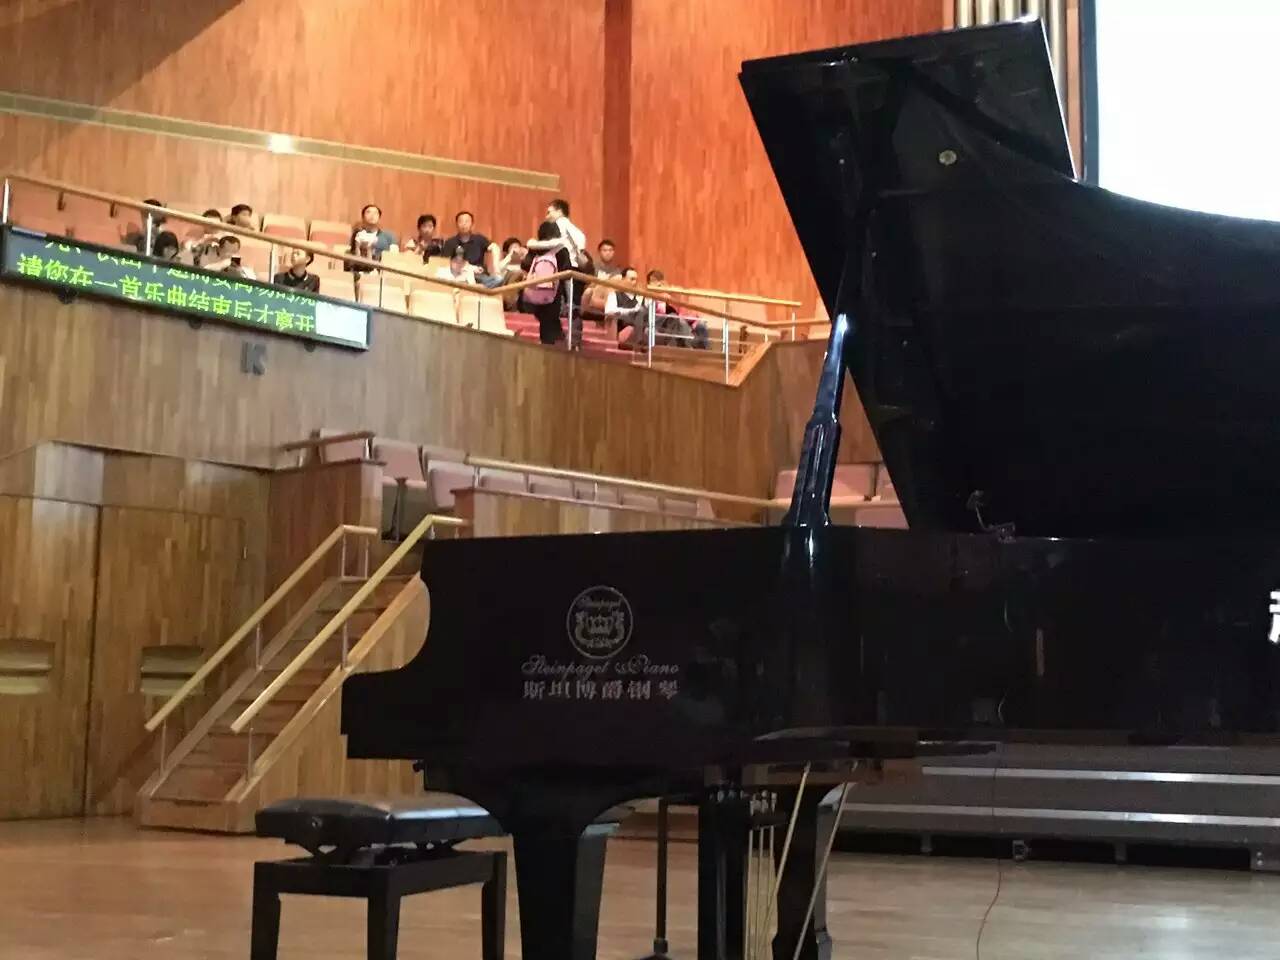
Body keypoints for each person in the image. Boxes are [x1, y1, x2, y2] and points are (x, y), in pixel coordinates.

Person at [520, 221, 571, 345]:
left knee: (543, 318)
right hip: (554, 290)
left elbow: (525, 265)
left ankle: (551, 338)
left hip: (535, 288)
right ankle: (551, 341)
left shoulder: (535, 248)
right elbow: (567, 269)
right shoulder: (561, 249)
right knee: (550, 318)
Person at [646, 268, 709, 348]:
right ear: (649, 284)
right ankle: (691, 345)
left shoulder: (672, 295)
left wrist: (695, 321)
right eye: (654, 281)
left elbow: (683, 311)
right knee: (678, 320)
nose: (658, 284)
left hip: (679, 321)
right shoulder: (649, 297)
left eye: (659, 280)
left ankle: (704, 349)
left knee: (701, 324)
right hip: (661, 324)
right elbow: (659, 312)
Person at [526, 198, 587, 269]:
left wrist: (533, 244)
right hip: (572, 267)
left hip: (563, 266)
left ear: (559, 211)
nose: (546, 217)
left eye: (549, 212)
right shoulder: (574, 230)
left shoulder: (559, 224)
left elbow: (557, 243)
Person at [606, 266, 647, 347]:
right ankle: (639, 341)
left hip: (643, 322)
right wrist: (632, 310)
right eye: (632, 279)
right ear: (623, 279)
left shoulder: (640, 296)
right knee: (640, 312)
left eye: (636, 280)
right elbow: (609, 311)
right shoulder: (614, 295)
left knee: (670, 316)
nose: (634, 282)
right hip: (624, 321)